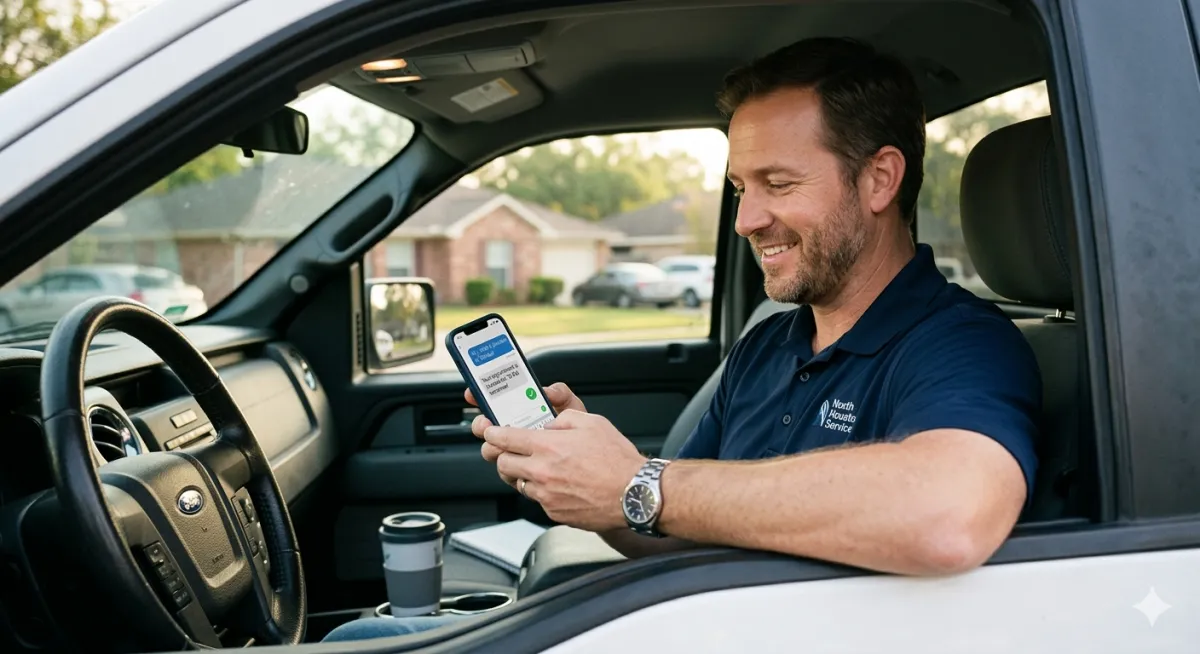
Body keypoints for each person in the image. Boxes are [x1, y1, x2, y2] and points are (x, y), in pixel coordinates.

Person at [323, 35, 1039, 642]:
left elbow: (948, 515)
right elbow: (668, 524)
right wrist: (587, 484)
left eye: (778, 184)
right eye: (739, 188)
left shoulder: (961, 342)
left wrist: (640, 484)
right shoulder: (768, 343)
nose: (746, 220)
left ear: (880, 179)